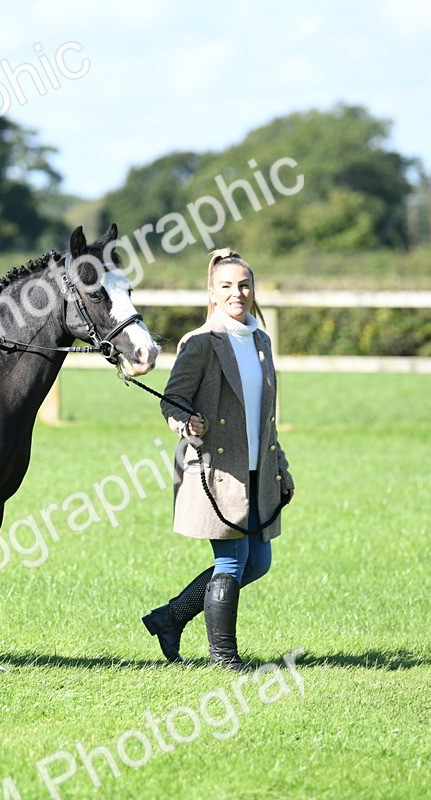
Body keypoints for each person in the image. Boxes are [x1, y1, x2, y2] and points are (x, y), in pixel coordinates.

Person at [141, 248, 295, 670]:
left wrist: (281, 467)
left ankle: (169, 617)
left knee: (258, 561)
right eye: (226, 286)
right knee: (231, 561)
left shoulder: (260, 340)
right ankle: (224, 659)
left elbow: (267, 416)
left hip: (257, 470)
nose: (237, 293)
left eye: (243, 285)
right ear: (212, 292)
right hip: (213, 468)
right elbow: (173, 400)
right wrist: (186, 423)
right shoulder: (201, 342)